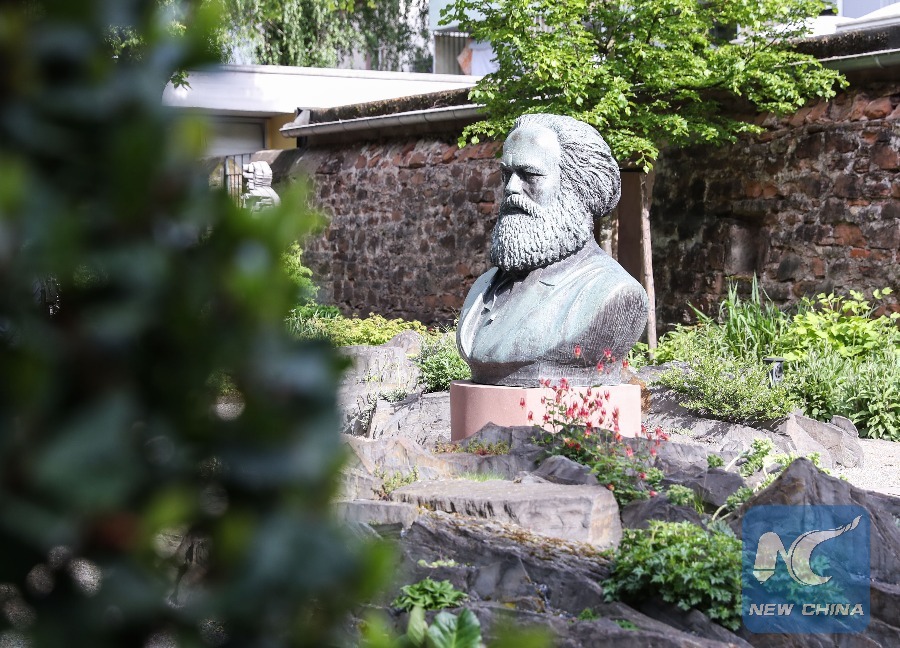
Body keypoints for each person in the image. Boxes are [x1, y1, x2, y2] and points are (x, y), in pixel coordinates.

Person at [457, 113, 649, 387]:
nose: (511, 188)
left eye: (530, 175)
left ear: (577, 188)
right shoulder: (484, 287)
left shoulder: (614, 293)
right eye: (506, 174)